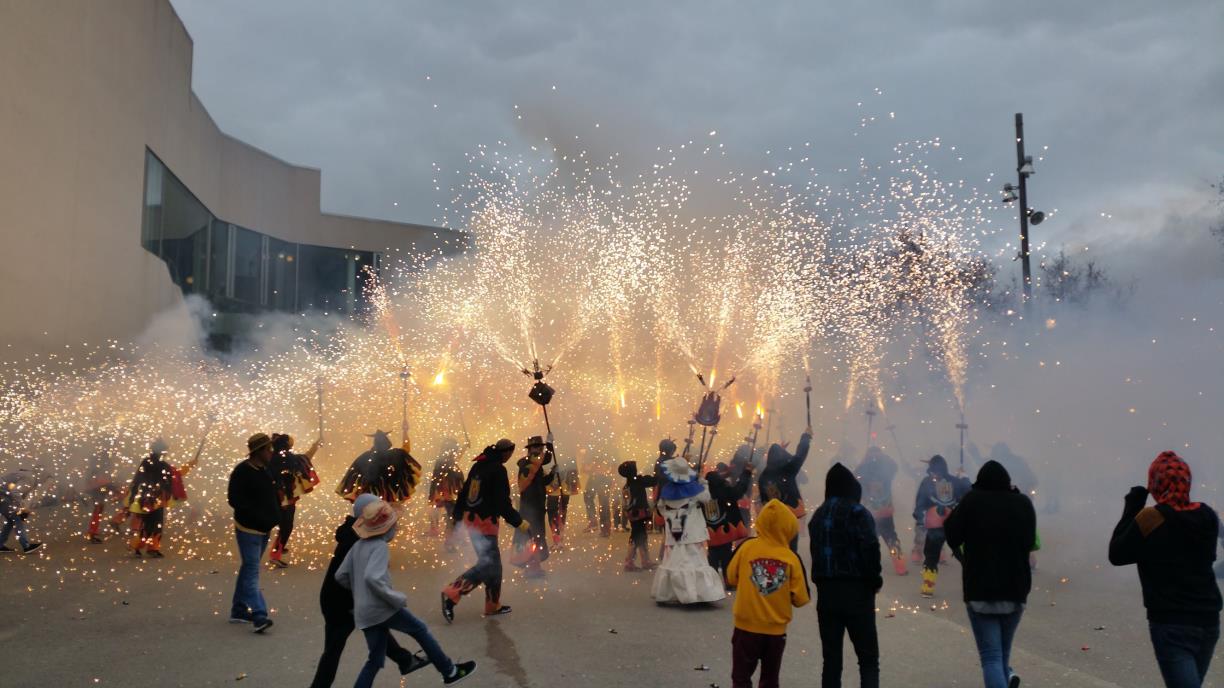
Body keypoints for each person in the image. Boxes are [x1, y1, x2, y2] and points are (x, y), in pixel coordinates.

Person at [336, 495, 477, 688]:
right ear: (385, 528)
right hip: (381, 608)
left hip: (364, 612)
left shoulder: (357, 546)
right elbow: (372, 578)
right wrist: (395, 598)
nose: (397, 528)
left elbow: (341, 575)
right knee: (419, 629)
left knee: (375, 659)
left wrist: (359, 594)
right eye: (394, 525)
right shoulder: (379, 547)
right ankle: (449, 671)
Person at [1109, 451, 1221, 688]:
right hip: (1207, 619)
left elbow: (1117, 554)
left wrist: (1133, 506)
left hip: (1171, 622)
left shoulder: (1152, 517)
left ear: (1155, 484)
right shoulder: (1206, 515)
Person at [309, 498, 428, 688]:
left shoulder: (353, 532)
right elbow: (366, 578)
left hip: (336, 598)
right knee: (334, 649)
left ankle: (405, 660)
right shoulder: (360, 539)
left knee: (376, 628)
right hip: (341, 601)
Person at [944, 460, 1038, 688]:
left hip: (980, 590)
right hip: (1015, 590)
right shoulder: (1023, 503)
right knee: (1002, 656)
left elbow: (952, 536)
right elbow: (1029, 542)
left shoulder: (972, 501)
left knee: (991, 657)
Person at [442, 439, 531, 622]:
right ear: (506, 452)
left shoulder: (479, 465)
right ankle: (452, 592)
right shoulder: (498, 470)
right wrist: (519, 522)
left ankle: (492, 605)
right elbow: (502, 502)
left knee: (493, 566)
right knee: (488, 565)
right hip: (484, 523)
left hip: (472, 520)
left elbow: (464, 492)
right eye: (510, 453)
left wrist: (457, 517)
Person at [809, 463, 882, 688]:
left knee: (831, 661)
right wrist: (874, 581)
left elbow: (816, 554)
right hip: (857, 593)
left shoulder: (818, 516)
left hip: (827, 595)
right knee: (868, 660)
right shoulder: (859, 512)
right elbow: (870, 550)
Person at [726, 499, 811, 688]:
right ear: (789, 527)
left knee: (740, 677)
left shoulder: (746, 547)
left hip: (745, 627)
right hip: (775, 632)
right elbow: (801, 598)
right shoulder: (791, 558)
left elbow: (731, 577)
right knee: (770, 679)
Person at [651, 455, 725, 605]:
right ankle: (696, 595)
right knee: (694, 560)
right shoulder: (694, 488)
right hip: (692, 531)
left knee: (673, 560)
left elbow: (661, 508)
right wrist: (703, 482)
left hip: (674, 530)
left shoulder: (667, 490)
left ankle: (670, 594)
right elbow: (706, 498)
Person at [226, 433, 280, 633]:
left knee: (249, 568)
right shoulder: (242, 471)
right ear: (259, 451)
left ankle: (238, 610)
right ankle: (259, 614)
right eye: (268, 449)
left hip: (264, 529)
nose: (271, 453)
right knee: (252, 571)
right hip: (248, 529)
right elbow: (234, 499)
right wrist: (255, 515)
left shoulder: (265, 470)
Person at [125, 438, 195, 558]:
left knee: (155, 524)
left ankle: (152, 548)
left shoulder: (156, 463)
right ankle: (139, 547)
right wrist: (133, 495)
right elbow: (139, 478)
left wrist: (189, 465)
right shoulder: (152, 463)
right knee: (150, 524)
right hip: (149, 499)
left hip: (157, 499)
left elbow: (173, 475)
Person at [913, 454, 970, 597]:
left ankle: (928, 587)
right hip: (953, 524)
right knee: (963, 556)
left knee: (932, 556)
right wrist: (964, 479)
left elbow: (920, 503)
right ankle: (971, 586)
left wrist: (920, 518)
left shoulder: (927, 482)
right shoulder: (955, 481)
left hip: (938, 524)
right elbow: (969, 493)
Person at [268, 433, 321, 568]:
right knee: (287, 525)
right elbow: (304, 460)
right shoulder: (287, 458)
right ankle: (276, 554)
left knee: (282, 524)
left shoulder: (271, 456)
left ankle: (278, 546)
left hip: (273, 495)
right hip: (284, 497)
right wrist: (314, 448)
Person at [758, 429, 813, 552]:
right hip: (789, 519)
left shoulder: (763, 477)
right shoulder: (787, 470)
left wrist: (781, 451)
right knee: (791, 553)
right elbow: (800, 456)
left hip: (773, 521)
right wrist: (806, 437)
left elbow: (764, 501)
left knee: (775, 551)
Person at [857, 446, 907, 575]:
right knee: (889, 537)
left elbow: (894, 467)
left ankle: (866, 564)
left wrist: (869, 459)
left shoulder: (881, 469)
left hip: (877, 509)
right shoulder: (869, 469)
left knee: (871, 537)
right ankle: (899, 565)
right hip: (877, 509)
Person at [336, 430, 421, 504]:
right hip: (393, 498)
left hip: (371, 499)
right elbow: (406, 448)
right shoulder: (396, 455)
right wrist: (405, 432)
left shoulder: (366, 457)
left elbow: (354, 474)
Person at [511, 435, 555, 578]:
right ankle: (531, 566)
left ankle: (534, 565)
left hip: (537, 506)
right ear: (530, 450)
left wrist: (554, 473)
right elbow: (546, 458)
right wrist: (549, 445)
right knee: (531, 536)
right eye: (537, 447)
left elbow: (542, 482)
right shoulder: (527, 463)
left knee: (536, 535)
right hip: (530, 507)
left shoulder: (535, 465)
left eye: (541, 447)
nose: (540, 450)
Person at [705, 461, 754, 586]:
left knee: (712, 557)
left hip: (710, 532)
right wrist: (747, 472)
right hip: (726, 530)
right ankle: (729, 581)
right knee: (727, 556)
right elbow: (740, 488)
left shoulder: (703, 494)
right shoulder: (725, 491)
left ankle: (712, 583)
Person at [618, 459, 658, 571]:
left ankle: (644, 561)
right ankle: (630, 562)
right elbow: (654, 481)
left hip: (632, 515)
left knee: (639, 536)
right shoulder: (638, 481)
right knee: (637, 537)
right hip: (639, 514)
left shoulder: (627, 486)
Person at [0, 466, 48, 554]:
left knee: (11, 521)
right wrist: (22, 508)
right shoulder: (30, 478)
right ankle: (26, 547)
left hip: (3, 496)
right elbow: (15, 492)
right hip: (4, 497)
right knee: (18, 518)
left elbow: (19, 493)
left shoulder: (26, 474)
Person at [428, 438, 465, 539]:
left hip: (448, 495)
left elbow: (456, 458)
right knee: (452, 517)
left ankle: (449, 539)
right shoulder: (443, 462)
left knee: (452, 517)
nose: (456, 452)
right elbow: (439, 480)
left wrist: (465, 447)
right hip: (445, 495)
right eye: (455, 450)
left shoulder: (447, 460)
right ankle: (447, 540)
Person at [548, 460, 580, 549]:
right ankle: (560, 538)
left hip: (554, 489)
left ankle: (557, 540)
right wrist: (574, 484)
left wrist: (553, 485)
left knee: (553, 512)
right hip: (567, 486)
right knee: (562, 511)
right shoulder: (568, 451)